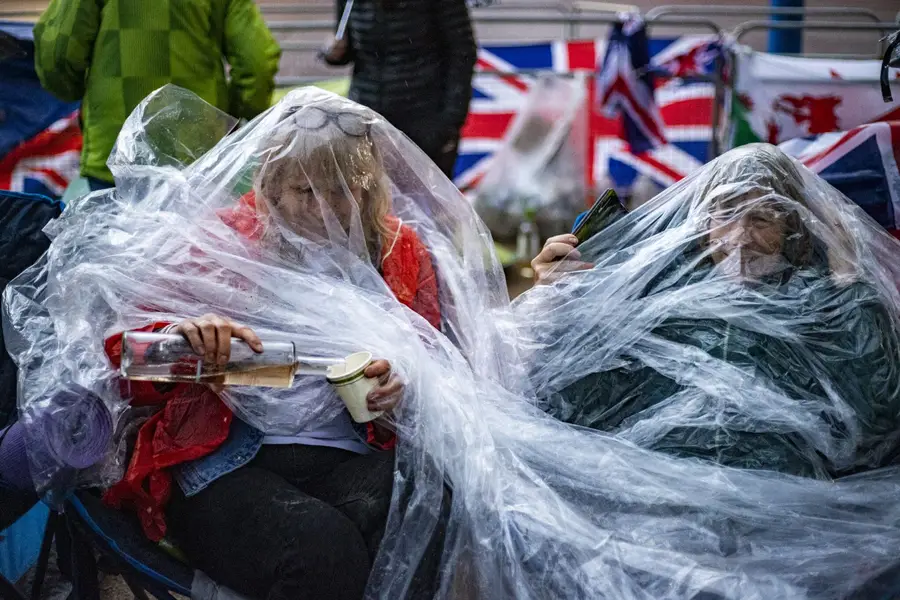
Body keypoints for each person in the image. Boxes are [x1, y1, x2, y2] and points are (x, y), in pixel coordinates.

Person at [100, 98, 444, 600]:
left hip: (349, 456)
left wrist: (403, 382)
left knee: (427, 500)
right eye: (306, 190)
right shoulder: (219, 243)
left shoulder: (400, 251)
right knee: (322, 550)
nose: (326, 207)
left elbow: (439, 359)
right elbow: (126, 360)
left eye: (345, 190)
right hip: (230, 463)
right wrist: (190, 338)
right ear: (269, 185)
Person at [526, 144, 900, 480]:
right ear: (702, 223)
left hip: (779, 509)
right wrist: (555, 300)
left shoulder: (821, 306)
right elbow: (563, 394)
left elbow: (877, 417)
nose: (740, 236)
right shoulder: (658, 297)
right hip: (662, 503)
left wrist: (849, 280)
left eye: (761, 218)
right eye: (727, 214)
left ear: (792, 227)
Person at [33, 0, 281, 192]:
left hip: (115, 151)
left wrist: (75, 93)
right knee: (194, 256)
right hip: (199, 155)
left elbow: (58, 52)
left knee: (113, 255)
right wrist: (232, 117)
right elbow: (257, 62)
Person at [320, 0, 476, 180]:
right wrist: (334, 52)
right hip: (367, 119)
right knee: (372, 202)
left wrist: (449, 122)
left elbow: (462, 52)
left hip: (425, 120)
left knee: (426, 202)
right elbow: (348, 43)